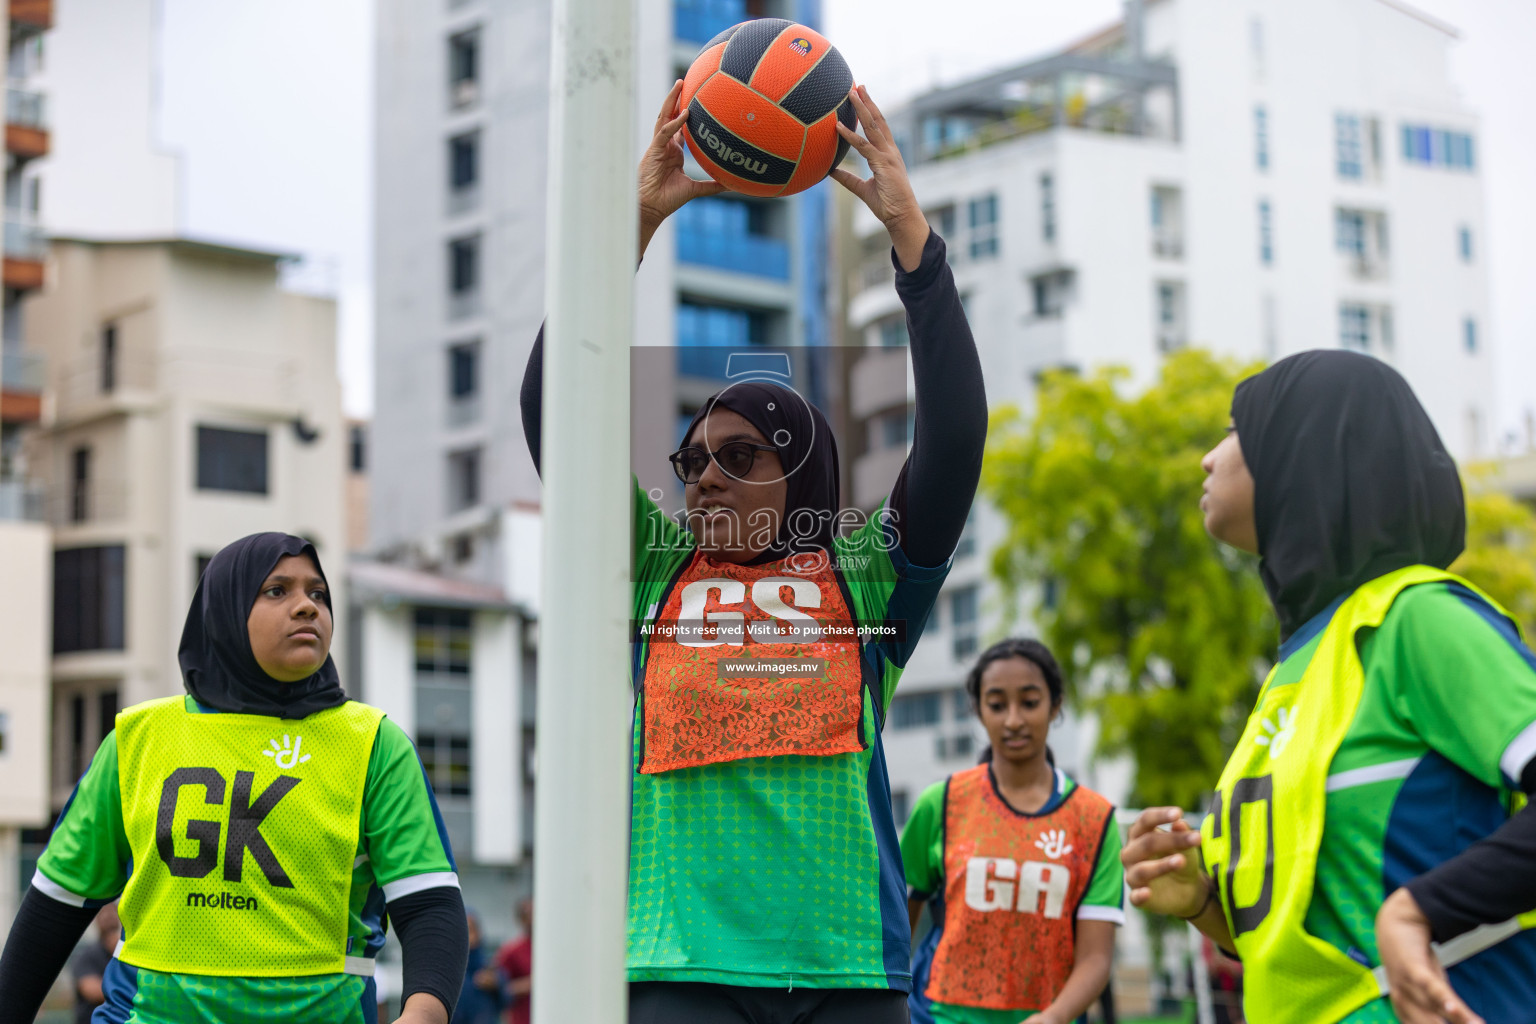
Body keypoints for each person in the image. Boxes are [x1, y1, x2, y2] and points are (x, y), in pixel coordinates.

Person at [519, 82, 986, 1023]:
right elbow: (553, 409)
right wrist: (628, 232)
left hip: (848, 972)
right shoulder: (653, 570)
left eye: (738, 457)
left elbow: (955, 440)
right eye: (690, 460)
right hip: (679, 969)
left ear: (802, 471)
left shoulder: (863, 577)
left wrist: (915, 249)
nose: (704, 477)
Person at [1120, 351, 1536, 1024]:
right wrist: (1202, 900)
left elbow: (1394, 918)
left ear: (1300, 452)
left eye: (1233, 430)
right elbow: (1317, 939)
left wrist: (1418, 912)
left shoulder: (1413, 620)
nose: (1206, 458)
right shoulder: (1293, 670)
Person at [0, 532, 470, 1024]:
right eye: (276, 591)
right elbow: (57, 904)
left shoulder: (375, 746)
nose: (306, 607)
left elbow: (429, 904)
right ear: (224, 608)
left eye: (318, 594)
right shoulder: (138, 738)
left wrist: (423, 1015)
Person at [902, 639, 1121, 1024]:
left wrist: (1054, 1017)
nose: (1014, 720)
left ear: (1055, 707)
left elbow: (1096, 957)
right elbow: (895, 924)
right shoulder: (942, 803)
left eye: (1030, 702)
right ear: (978, 711)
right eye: (997, 704)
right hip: (938, 1015)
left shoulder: (1094, 819)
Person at [68, 902, 120, 1024]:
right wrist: (126, 988)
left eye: (112, 912)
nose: (108, 917)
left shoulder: (125, 953)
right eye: (103, 913)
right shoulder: (87, 955)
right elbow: (92, 991)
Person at [452, 911, 503, 1024]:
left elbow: (505, 999)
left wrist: (496, 985)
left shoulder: (489, 965)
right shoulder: (447, 969)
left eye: (470, 930)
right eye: (462, 930)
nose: (467, 936)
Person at [494, 900, 532, 1024]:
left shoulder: (552, 950)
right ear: (521, 919)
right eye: (529, 915)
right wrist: (528, 985)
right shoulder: (511, 951)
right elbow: (499, 987)